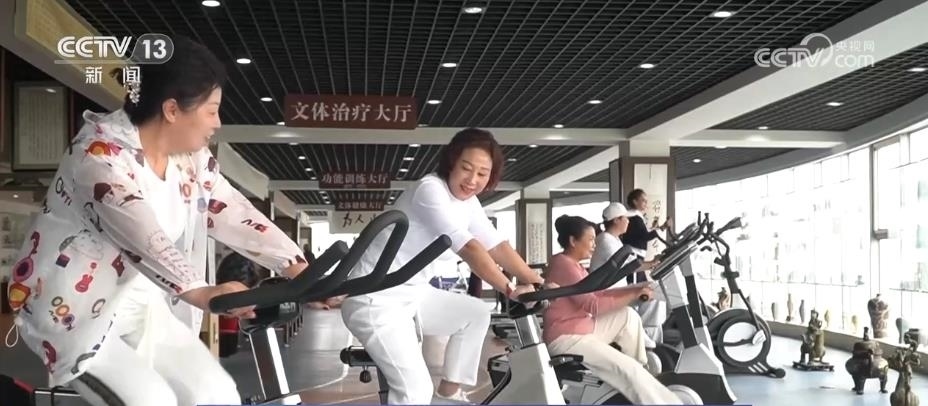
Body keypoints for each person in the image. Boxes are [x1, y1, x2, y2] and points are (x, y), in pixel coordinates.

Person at [4, 36, 308, 406]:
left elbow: (229, 208)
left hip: (144, 306)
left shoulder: (190, 160)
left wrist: (296, 265)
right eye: (212, 111)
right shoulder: (98, 156)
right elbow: (138, 229)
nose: (217, 123)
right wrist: (199, 290)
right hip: (72, 313)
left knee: (216, 394)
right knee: (150, 400)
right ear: (172, 110)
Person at [340, 128, 546, 405]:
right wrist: (509, 289)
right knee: (415, 391)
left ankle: (450, 391)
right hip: (375, 300)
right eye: (466, 168)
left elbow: (496, 245)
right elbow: (470, 248)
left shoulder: (469, 203)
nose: (472, 180)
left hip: (413, 294)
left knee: (475, 313)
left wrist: (539, 282)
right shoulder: (430, 190)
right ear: (451, 163)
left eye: (482, 173)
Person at [543, 215, 682, 405]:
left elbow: (598, 293)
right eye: (590, 239)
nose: (594, 244)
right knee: (628, 369)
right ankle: (643, 382)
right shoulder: (564, 265)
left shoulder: (572, 264)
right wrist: (633, 295)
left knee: (627, 316)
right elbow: (594, 306)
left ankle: (641, 370)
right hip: (567, 339)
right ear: (573, 241)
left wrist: (635, 289)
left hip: (584, 328)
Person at [589, 202, 659, 274]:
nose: (628, 221)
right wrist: (652, 263)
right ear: (616, 220)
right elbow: (627, 266)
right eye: (626, 218)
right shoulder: (605, 240)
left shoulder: (614, 239)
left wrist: (653, 263)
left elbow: (631, 261)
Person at [621, 189, 673, 283]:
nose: (646, 203)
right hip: (634, 255)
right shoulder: (634, 218)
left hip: (637, 255)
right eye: (643, 200)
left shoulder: (636, 217)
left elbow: (643, 233)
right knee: (636, 285)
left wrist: (661, 227)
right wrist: (663, 227)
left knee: (643, 284)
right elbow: (645, 236)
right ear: (635, 201)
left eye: (646, 201)